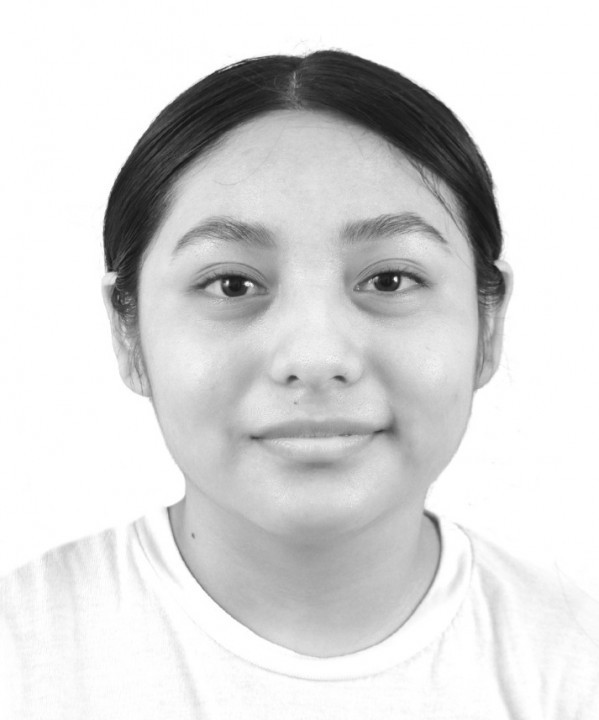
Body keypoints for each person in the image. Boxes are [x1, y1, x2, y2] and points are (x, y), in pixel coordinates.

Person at [1, 49, 598, 719]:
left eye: (389, 280)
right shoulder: (19, 659)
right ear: (128, 331)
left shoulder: (575, 671)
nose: (315, 358)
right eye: (232, 284)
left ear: (487, 326)